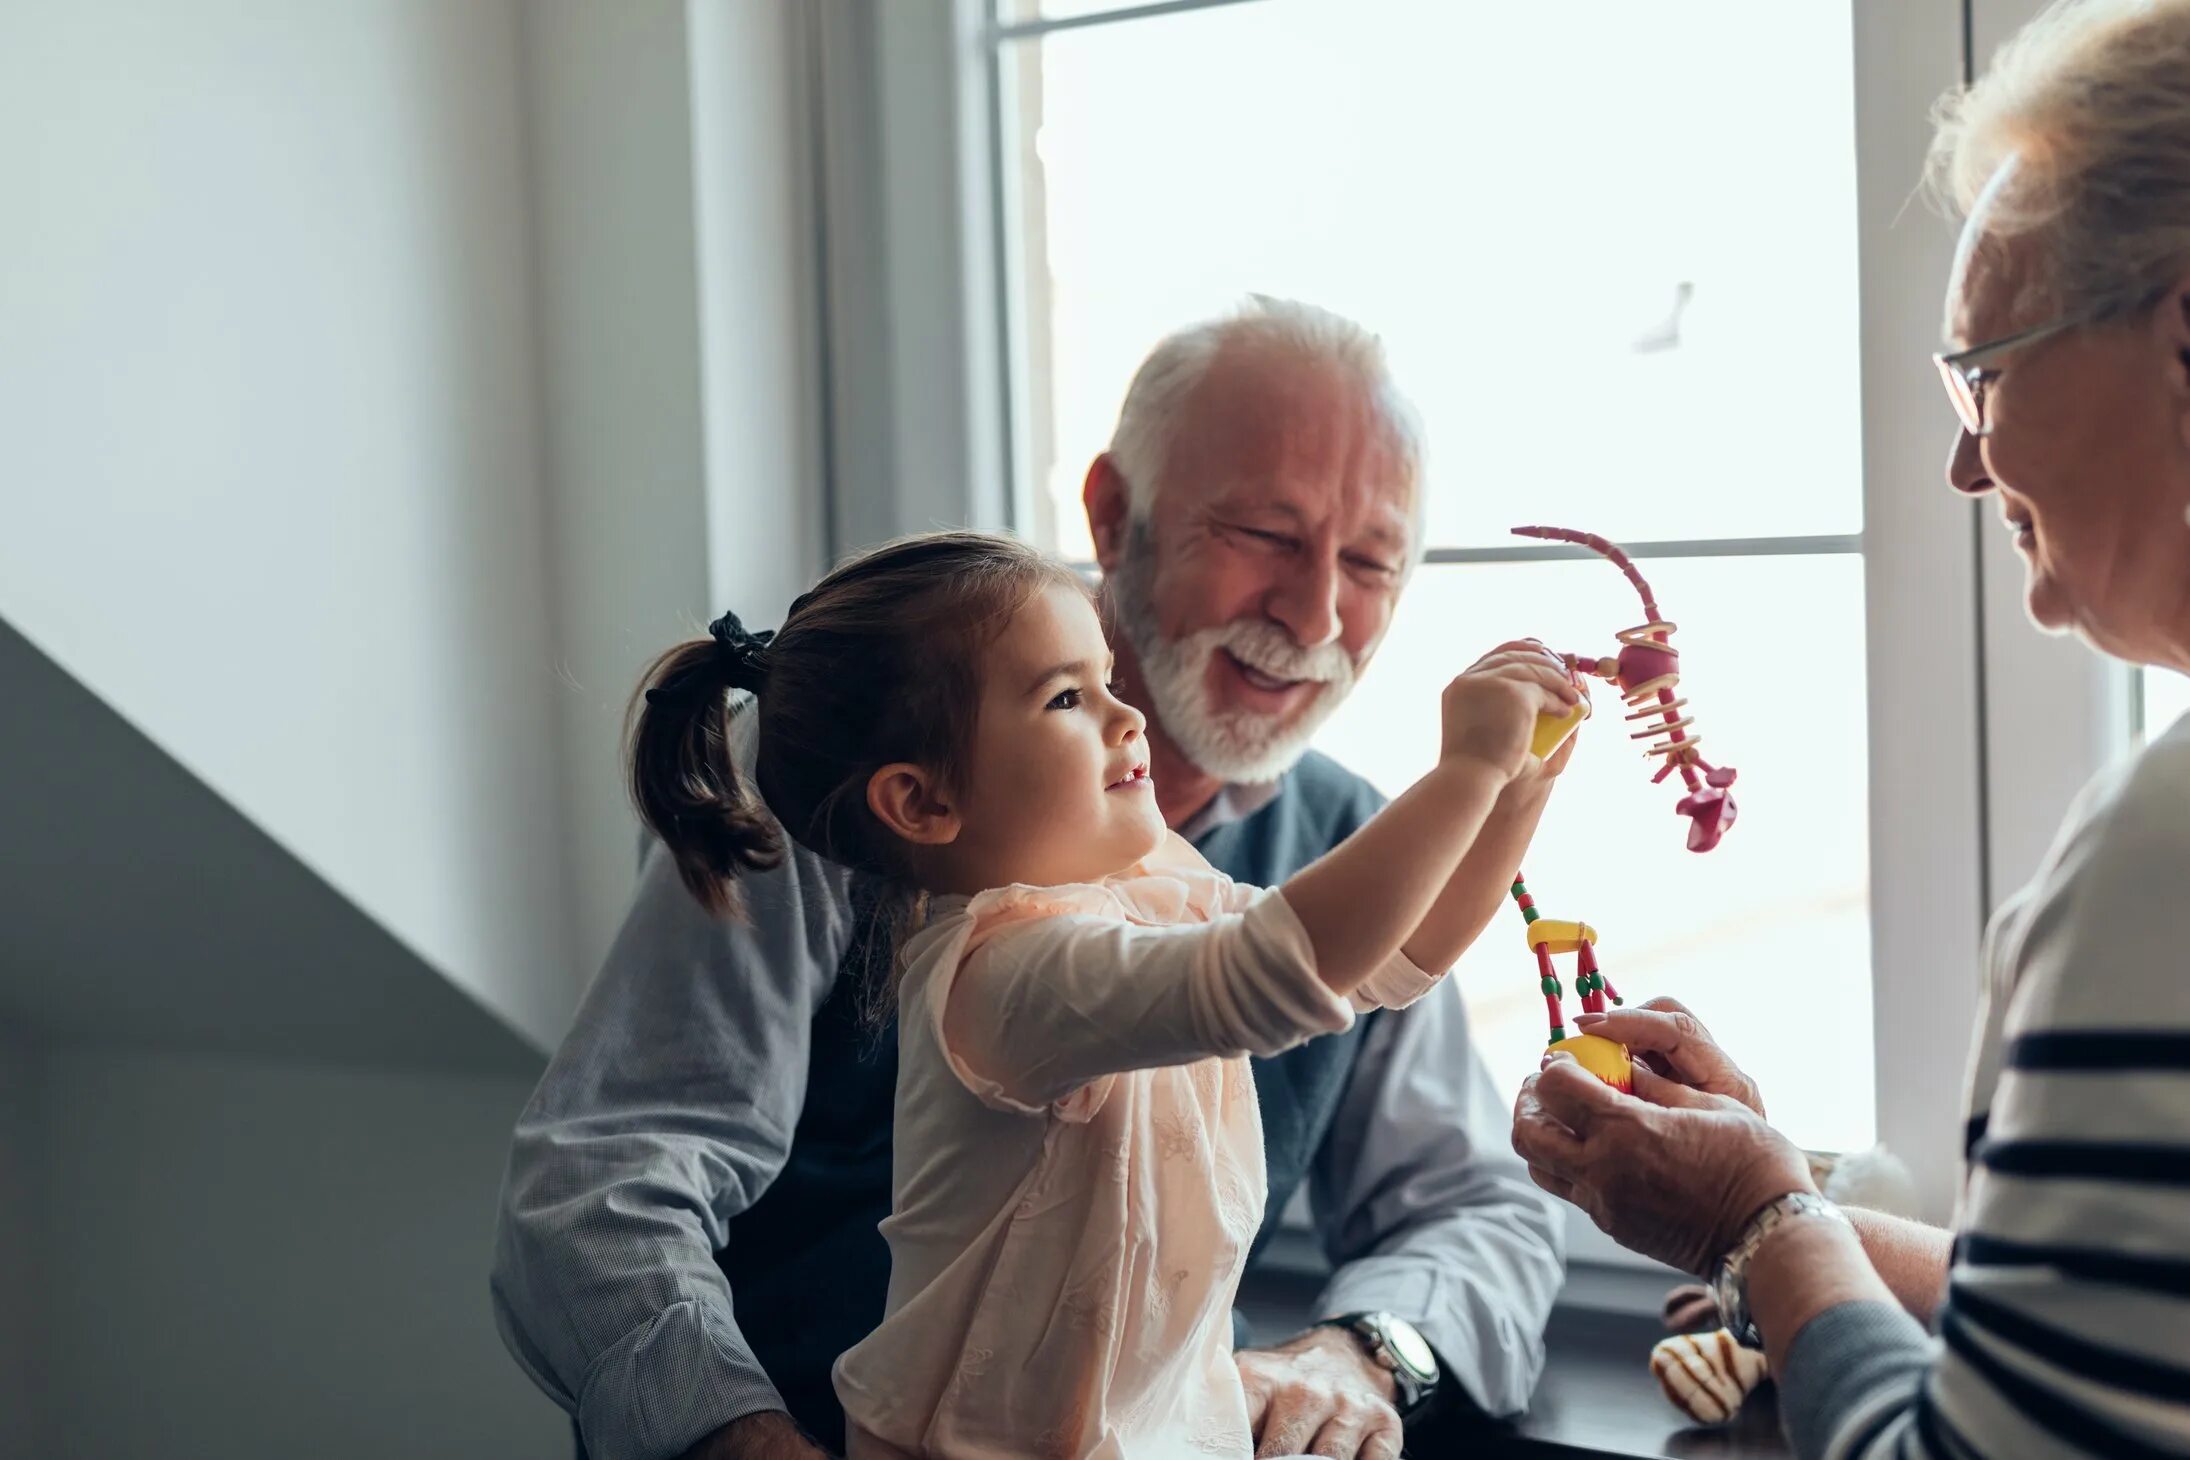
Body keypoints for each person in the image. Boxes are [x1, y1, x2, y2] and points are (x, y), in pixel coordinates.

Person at [494, 299, 1567, 1460]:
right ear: (1113, 515)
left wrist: (1364, 1349)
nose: (1314, 614)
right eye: (1265, 533)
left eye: (1371, 562)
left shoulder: (1325, 841)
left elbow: (1449, 1123)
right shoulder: (876, 821)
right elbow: (604, 1180)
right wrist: (742, 1441)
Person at [1509, 2, 2190, 1455]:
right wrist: (1787, 1209)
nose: (1960, 458)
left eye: (1986, 370)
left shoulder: (2164, 845)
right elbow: (2103, 1350)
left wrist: (1756, 1223)